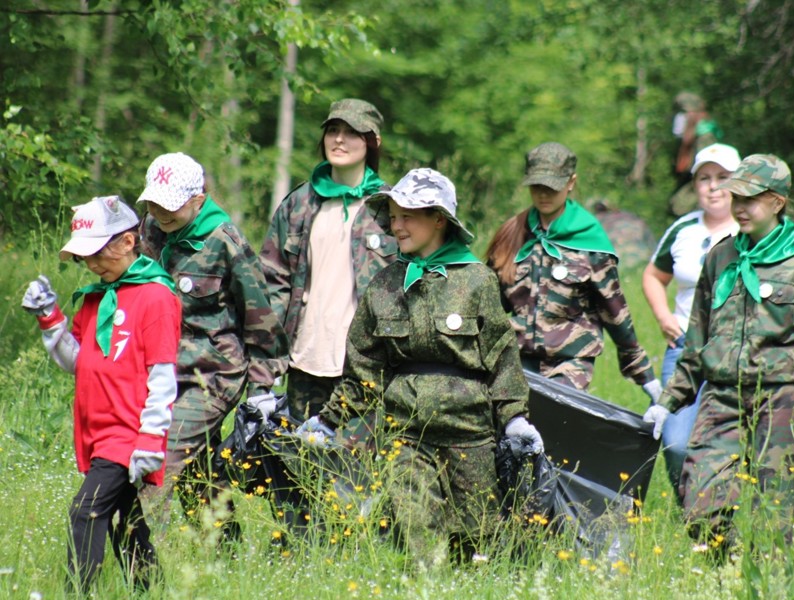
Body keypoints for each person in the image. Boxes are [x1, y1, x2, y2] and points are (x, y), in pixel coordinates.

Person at [299, 168, 540, 560]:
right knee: (417, 534)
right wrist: (328, 420)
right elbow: (365, 369)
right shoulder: (386, 284)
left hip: (469, 432)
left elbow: (502, 357)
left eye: (408, 216)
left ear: (439, 219)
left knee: (480, 541)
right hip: (406, 432)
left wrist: (514, 418)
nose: (397, 226)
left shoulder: (477, 281)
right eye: (393, 216)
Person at [642, 154, 794, 552]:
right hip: (722, 397)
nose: (739, 208)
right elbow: (696, 339)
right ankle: (726, 568)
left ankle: (764, 585)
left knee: (774, 516)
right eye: (737, 198)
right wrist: (668, 402)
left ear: (777, 203)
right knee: (700, 505)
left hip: (782, 398)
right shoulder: (721, 256)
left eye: (750, 199)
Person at [21, 196, 180, 592]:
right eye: (84, 256)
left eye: (97, 252)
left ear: (128, 242)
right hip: (97, 431)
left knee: (85, 512)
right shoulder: (94, 298)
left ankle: (76, 593)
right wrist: (49, 320)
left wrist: (151, 439)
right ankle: (150, 590)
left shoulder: (156, 296)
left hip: (128, 433)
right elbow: (78, 360)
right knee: (127, 524)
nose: (91, 264)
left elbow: (163, 374)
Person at [137, 152, 287, 540]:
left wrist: (261, 392)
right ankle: (227, 551)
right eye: (154, 203)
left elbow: (261, 319)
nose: (161, 213)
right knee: (198, 473)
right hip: (163, 371)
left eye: (171, 206)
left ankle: (141, 557)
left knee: (161, 457)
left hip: (212, 375)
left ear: (198, 199)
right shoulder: (151, 230)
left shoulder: (225, 241)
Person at [486, 142, 662, 403]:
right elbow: (488, 305)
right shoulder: (513, 233)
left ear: (571, 182)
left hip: (570, 363)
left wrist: (647, 379)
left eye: (552, 186)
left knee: (553, 419)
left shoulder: (590, 242)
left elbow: (615, 314)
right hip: (517, 359)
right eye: (537, 186)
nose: (544, 194)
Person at [260, 98, 397, 423]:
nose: (339, 139)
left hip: (368, 363)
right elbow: (272, 285)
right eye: (332, 130)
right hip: (306, 358)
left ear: (371, 142)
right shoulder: (298, 203)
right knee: (301, 464)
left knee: (359, 470)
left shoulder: (392, 206)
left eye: (352, 132)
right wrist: (266, 366)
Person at [642, 143, 741, 492]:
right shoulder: (683, 229)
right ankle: (691, 512)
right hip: (684, 349)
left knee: (731, 446)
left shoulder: (752, 229)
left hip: (739, 352)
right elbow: (653, 275)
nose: (713, 186)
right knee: (677, 442)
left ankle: (719, 511)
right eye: (704, 178)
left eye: (722, 177)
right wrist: (663, 315)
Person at [669, 92, 724, 216]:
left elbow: (707, 173)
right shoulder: (688, 139)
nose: (680, 117)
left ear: (696, 114)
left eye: (684, 113)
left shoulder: (705, 137)